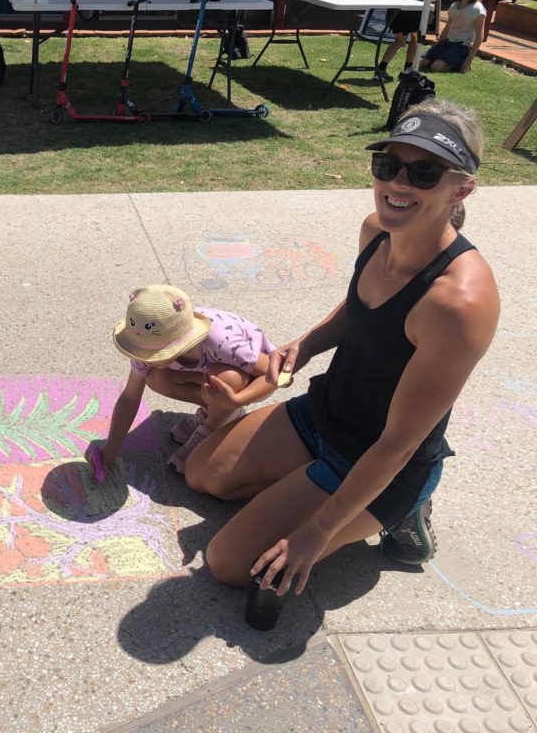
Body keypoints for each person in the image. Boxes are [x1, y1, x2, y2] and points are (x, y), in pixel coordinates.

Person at [184, 99, 498, 601]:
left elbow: (398, 444)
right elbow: (361, 308)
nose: (398, 184)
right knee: (204, 474)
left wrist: (318, 532)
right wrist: (307, 344)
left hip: (380, 457)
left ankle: (404, 508)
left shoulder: (458, 303)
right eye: (388, 165)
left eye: (423, 173)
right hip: (327, 411)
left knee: (227, 563)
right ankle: (307, 486)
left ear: (462, 187)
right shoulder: (378, 232)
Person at [89, 285, 280, 476]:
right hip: (207, 376)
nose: (144, 358)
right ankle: (215, 411)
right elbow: (130, 397)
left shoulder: (222, 343)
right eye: (143, 353)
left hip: (246, 378)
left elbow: (273, 374)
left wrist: (238, 399)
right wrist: (111, 449)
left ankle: (213, 425)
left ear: (179, 343)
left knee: (222, 378)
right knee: (156, 378)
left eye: (153, 354)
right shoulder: (145, 340)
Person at [420, 0, 486, 74]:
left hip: (462, 45)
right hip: (448, 42)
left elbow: (479, 36)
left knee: (435, 67)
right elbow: (447, 29)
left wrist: (469, 60)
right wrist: (436, 46)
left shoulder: (477, 9)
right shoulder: (454, 6)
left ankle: (458, 64)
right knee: (422, 62)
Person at [374, 0, 429, 82]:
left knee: (399, 40)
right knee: (415, 38)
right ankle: (407, 70)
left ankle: (381, 69)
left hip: (397, 6)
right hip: (413, 11)